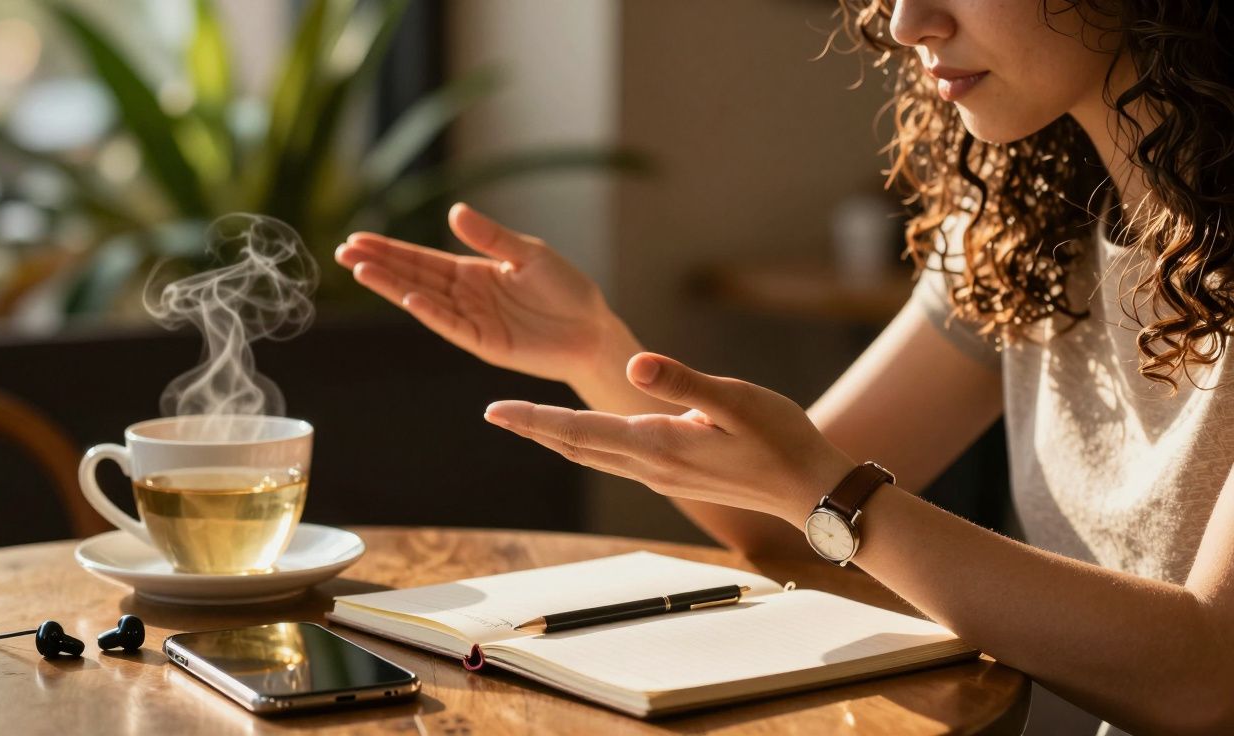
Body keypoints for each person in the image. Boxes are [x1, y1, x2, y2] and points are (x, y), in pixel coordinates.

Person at [334, 1, 1233, 733]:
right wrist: (594, 348)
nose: (906, 20)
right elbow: (776, 526)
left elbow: (1206, 675)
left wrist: (833, 491)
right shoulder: (1030, 230)